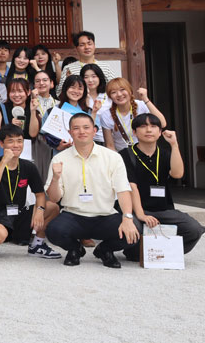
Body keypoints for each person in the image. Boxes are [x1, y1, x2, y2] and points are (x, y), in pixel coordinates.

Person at [44, 113, 140, 268]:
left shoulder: (112, 157)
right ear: (70, 132)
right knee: (54, 231)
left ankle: (104, 250)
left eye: (86, 127)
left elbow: (123, 190)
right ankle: (75, 249)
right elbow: (54, 198)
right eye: (76, 128)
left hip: (105, 215)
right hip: (73, 215)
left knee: (134, 232)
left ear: (94, 131)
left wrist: (127, 217)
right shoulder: (59, 159)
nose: (81, 131)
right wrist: (55, 178)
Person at [119, 114, 203, 260]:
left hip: (163, 210)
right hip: (136, 210)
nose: (148, 130)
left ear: (159, 132)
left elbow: (177, 174)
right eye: (143, 126)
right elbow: (132, 187)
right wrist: (141, 214)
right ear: (134, 132)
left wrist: (174, 144)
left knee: (194, 229)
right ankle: (138, 252)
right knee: (133, 235)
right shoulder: (126, 155)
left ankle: (164, 252)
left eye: (153, 126)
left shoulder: (164, 154)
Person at [0, 125, 61, 260]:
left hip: (19, 213)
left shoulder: (28, 166)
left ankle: (37, 245)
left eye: (19, 141)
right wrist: (4, 161)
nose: (16, 145)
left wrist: (40, 211)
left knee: (52, 207)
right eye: (10, 141)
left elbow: (40, 194)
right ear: (1, 144)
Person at [99, 78, 167, 153]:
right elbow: (110, 145)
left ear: (130, 91)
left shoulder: (141, 105)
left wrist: (145, 99)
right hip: (122, 154)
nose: (119, 94)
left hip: (144, 152)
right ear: (110, 96)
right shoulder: (106, 115)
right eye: (113, 92)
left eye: (122, 90)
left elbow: (162, 123)